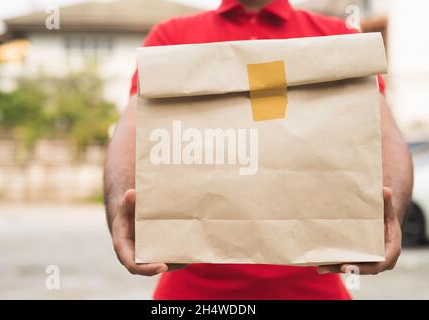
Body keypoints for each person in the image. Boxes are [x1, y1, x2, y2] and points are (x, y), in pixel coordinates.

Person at [104, 0, 413, 299]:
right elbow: (130, 129)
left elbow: (387, 137)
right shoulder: (170, 38)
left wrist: (389, 220)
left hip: (313, 289)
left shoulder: (340, 39)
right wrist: (120, 211)